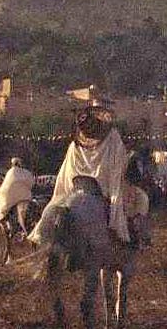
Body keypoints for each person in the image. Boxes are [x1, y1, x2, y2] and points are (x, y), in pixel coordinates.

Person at [51, 103, 133, 243]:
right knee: (117, 214)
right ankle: (118, 238)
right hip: (101, 193)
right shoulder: (113, 139)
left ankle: (41, 234)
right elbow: (118, 169)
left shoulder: (74, 145)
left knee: (53, 208)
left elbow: (64, 177)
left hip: (75, 190)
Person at [0, 156, 36, 262]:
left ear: (13, 164)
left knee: (2, 211)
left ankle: (5, 222)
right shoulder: (26, 173)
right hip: (26, 198)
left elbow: (6, 187)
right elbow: (31, 183)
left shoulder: (10, 173)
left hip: (11, 200)